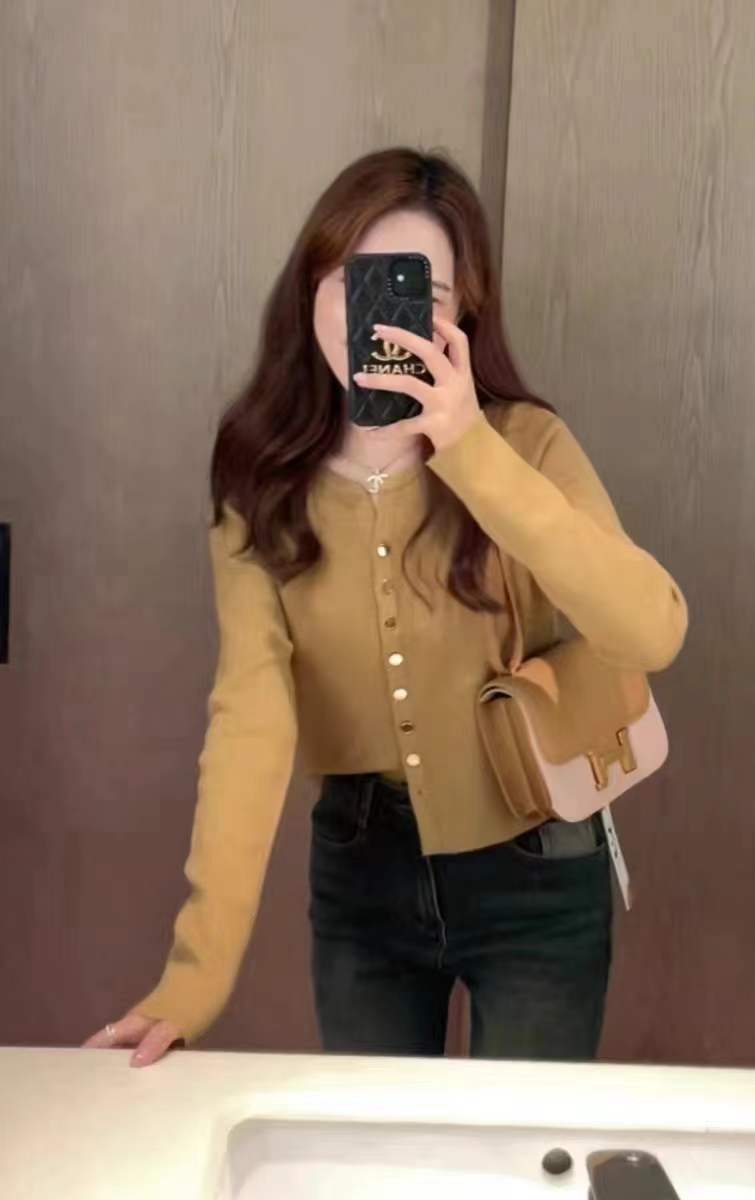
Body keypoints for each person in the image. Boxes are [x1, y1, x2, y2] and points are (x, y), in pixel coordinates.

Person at [83, 147, 688, 1068]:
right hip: (362, 878)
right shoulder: (258, 476)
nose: (379, 317)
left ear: (462, 313)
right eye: (354, 280)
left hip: (540, 866)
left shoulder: (525, 443)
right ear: (311, 290)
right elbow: (249, 718)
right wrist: (193, 979)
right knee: (372, 1139)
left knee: (524, 1144)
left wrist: (468, 448)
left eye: (418, 293)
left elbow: (652, 630)